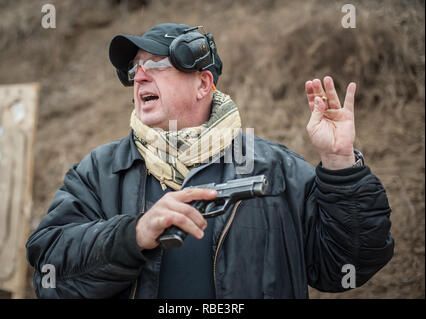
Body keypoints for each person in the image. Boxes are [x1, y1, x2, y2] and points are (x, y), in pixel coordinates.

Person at [26, 23, 394, 299]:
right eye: (134, 69)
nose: (138, 77)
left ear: (203, 84)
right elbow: (48, 273)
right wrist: (133, 235)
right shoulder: (99, 170)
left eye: (155, 63)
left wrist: (341, 164)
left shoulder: (275, 168)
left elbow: (347, 266)